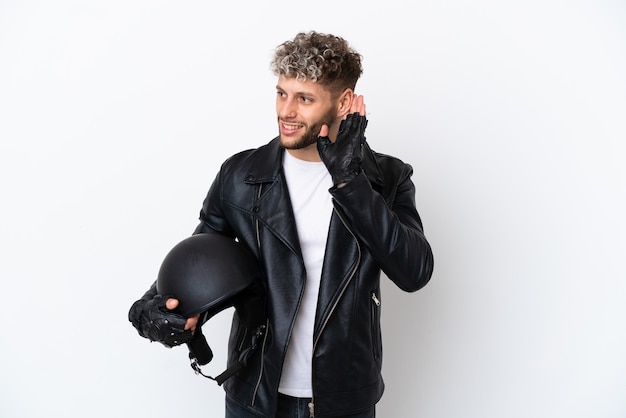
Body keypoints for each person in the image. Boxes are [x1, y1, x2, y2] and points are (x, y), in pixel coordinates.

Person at [129, 30, 434, 417]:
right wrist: (157, 305)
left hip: (344, 399)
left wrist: (350, 183)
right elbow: (202, 258)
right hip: (255, 394)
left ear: (343, 103)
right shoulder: (241, 175)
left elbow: (415, 272)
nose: (286, 111)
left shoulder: (386, 177)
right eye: (281, 93)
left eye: (304, 98)